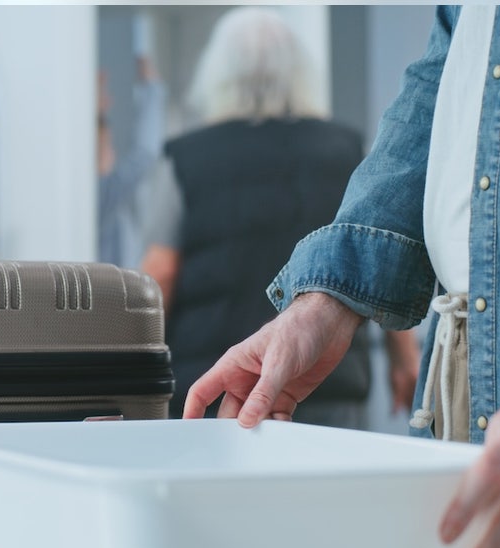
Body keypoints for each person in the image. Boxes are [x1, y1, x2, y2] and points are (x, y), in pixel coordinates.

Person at [184, 5, 500, 548]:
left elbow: (160, 267)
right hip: (441, 380)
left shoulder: (183, 158)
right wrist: (323, 301)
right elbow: (440, 93)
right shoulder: (339, 141)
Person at [139, 7, 420, 423]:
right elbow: (375, 250)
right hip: (328, 381)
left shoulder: (184, 159)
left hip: (219, 387)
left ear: (216, 75)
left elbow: (161, 272)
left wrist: (132, 365)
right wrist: (405, 360)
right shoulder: (347, 150)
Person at [97, 55, 165, 269]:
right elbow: (144, 156)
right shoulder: (100, 194)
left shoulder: (106, 200)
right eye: (108, 146)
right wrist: (152, 90)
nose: (113, 153)